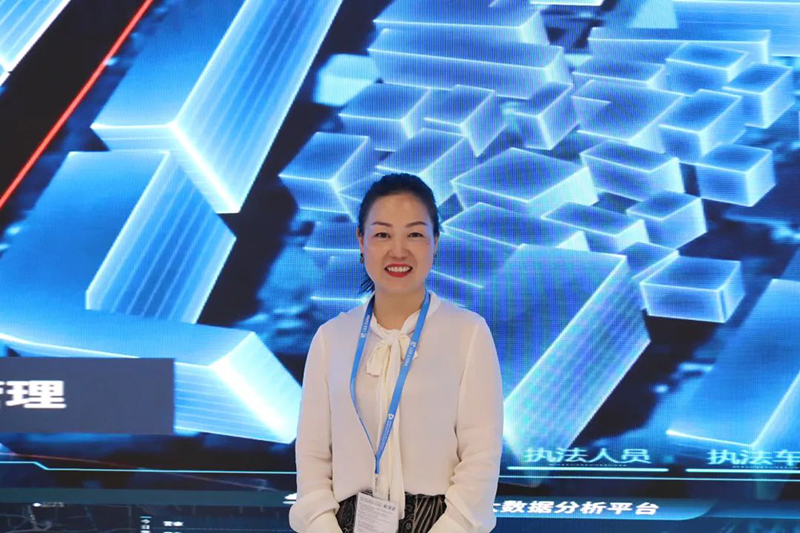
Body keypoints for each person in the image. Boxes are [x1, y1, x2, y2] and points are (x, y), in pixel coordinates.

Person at [289, 173, 503, 532]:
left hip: (439, 520)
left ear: (435, 241)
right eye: (383, 235)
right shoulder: (331, 338)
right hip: (345, 521)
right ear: (361, 241)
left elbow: (481, 453)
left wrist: (452, 525)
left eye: (415, 234)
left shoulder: (468, 332)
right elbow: (312, 455)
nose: (398, 251)